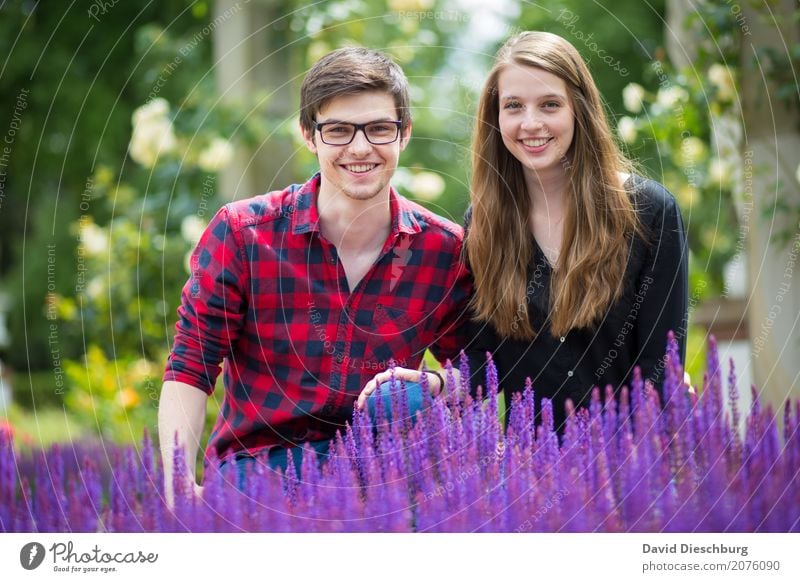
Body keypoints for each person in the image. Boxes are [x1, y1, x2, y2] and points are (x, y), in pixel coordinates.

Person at [159, 47, 470, 501]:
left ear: (404, 134)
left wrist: (439, 383)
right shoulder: (244, 235)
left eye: (380, 129)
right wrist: (178, 489)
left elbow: (475, 367)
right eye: (339, 130)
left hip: (384, 474)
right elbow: (191, 366)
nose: (360, 148)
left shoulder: (445, 250)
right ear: (310, 135)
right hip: (259, 470)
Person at [461, 31, 688, 431]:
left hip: (632, 468)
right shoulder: (483, 223)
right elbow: (484, 359)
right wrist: (436, 383)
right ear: (495, 117)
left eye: (550, 104)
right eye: (513, 106)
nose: (530, 123)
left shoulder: (648, 211)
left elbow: (662, 363)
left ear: (579, 110)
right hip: (529, 473)